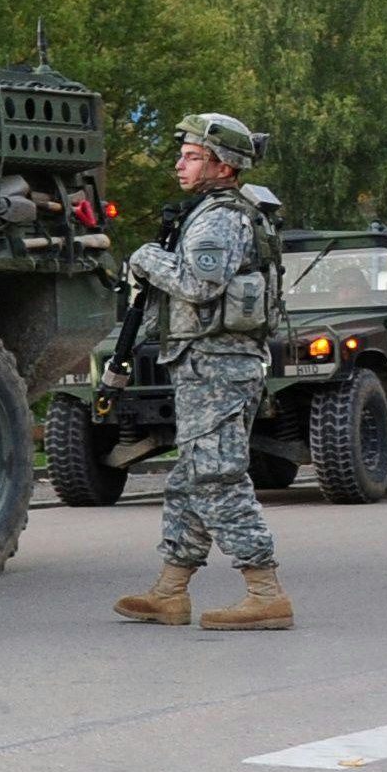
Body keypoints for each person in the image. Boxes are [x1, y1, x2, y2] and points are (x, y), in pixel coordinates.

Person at [113, 112, 295, 631]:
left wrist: (147, 258)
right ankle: (171, 591)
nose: (180, 164)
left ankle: (266, 592)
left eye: (192, 157)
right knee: (191, 478)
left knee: (216, 476)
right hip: (212, 362)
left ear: (224, 167)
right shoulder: (220, 212)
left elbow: (199, 285)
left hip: (217, 364)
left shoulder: (218, 217)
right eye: (184, 154)